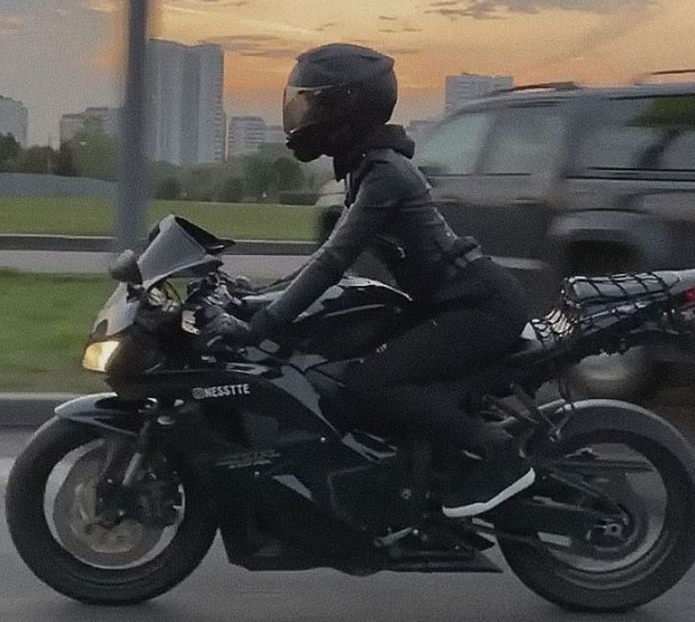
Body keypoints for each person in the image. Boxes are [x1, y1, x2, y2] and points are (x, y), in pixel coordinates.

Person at [201, 43, 534, 517]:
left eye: (311, 102)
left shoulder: (385, 175)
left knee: (367, 387)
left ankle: (498, 453)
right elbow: (328, 258)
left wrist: (263, 322)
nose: (299, 115)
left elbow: (333, 260)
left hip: (477, 308)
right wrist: (251, 299)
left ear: (345, 108)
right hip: (451, 305)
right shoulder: (369, 168)